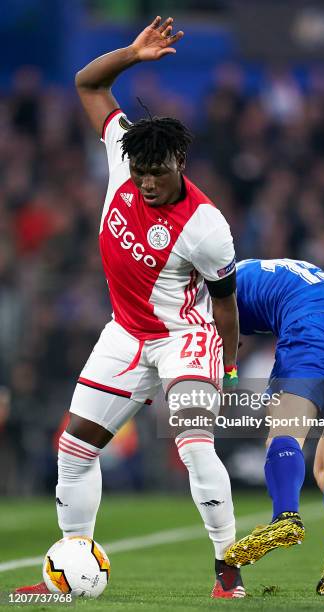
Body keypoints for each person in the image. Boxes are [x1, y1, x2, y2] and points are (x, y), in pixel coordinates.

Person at [16, 17, 245, 599]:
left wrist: (231, 365)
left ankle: (228, 570)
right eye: (140, 173)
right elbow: (87, 85)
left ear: (180, 165)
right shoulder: (125, 157)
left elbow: (224, 303)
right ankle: (66, 572)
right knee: (73, 449)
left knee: (194, 447)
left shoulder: (206, 226)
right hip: (124, 333)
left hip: (183, 336)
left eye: (157, 174)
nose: (145, 183)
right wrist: (133, 56)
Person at [224, 258, 324, 596]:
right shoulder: (286, 269)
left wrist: (227, 372)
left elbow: (223, 335)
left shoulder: (219, 283)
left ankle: (285, 517)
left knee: (283, 432)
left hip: (313, 327)